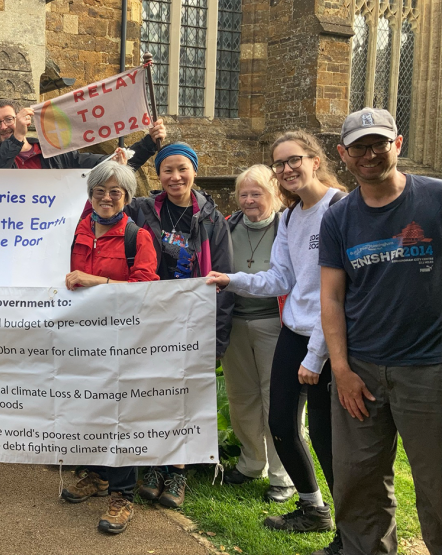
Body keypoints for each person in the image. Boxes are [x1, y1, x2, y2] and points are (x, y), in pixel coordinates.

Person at [206, 131, 346, 554]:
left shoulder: (340, 208)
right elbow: (282, 279)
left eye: (294, 160)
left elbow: (338, 292)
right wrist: (232, 280)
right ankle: (312, 508)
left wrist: (318, 354)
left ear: (316, 160)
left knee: (325, 436)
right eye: (280, 164)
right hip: (293, 331)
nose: (287, 170)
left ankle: (351, 527)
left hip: (328, 337)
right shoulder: (289, 218)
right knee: (282, 424)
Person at [320, 108, 442, 555]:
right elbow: (331, 298)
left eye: (378, 144)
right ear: (343, 155)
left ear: (398, 144)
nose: (369, 154)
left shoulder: (435, 199)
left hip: (429, 370)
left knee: (437, 483)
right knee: (358, 484)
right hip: (361, 372)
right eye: (359, 147)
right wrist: (342, 369)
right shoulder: (338, 218)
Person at [127, 143, 234, 509]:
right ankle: (155, 465)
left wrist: (218, 339)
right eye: (168, 170)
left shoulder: (211, 219)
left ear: (194, 171)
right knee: (155, 392)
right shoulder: (141, 211)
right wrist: (128, 157)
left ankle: (179, 470)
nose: (175, 177)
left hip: (194, 321)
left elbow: (224, 280)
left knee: (187, 396)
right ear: (158, 175)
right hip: (151, 319)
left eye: (182, 169)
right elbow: (99, 201)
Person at [59, 160, 159, 534]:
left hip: (121, 340)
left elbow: (144, 290)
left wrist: (95, 280)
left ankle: (122, 495)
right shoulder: (74, 231)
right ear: (90, 195)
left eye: (115, 192)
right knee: (90, 407)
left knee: (120, 415)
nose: (106, 198)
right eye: (99, 191)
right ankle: (99, 476)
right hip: (81, 338)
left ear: (127, 198)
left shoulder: (138, 238)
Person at [220, 165, 296, 503]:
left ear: (275, 194)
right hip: (235, 323)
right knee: (242, 398)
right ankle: (252, 462)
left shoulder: (288, 226)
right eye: (244, 194)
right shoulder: (227, 227)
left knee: (278, 402)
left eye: (257, 193)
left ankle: (285, 476)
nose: (249, 200)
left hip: (277, 325)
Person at [0, 99, 163, 170]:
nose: (3, 126)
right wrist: (17, 137)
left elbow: (110, 164)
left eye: (9, 119)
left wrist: (149, 143)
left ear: (21, 119)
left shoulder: (54, 153)